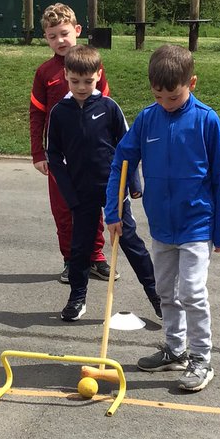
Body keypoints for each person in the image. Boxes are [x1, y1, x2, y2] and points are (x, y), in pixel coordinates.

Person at [105, 44, 220, 394]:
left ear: (192, 82)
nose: (165, 103)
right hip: (162, 226)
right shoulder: (148, 118)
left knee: (191, 290)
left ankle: (201, 358)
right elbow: (121, 161)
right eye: (158, 96)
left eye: (173, 97)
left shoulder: (207, 119)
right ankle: (174, 350)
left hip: (197, 225)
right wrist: (113, 212)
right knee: (165, 292)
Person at [47, 46, 161, 323]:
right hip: (80, 193)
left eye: (88, 81)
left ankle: (158, 297)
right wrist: (68, 193)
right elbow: (53, 155)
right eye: (75, 81)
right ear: (66, 76)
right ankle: (77, 297)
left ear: (98, 75)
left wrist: (133, 183)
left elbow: (128, 148)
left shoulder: (109, 108)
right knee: (80, 247)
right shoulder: (59, 112)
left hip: (113, 189)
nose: (82, 87)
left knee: (131, 242)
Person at [29, 2, 110, 283]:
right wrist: (38, 152)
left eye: (64, 33)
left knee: (93, 206)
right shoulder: (44, 73)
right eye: (52, 36)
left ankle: (96, 257)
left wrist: (108, 149)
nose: (59, 40)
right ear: (46, 39)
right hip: (59, 158)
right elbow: (36, 114)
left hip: (92, 156)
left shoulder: (94, 65)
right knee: (63, 210)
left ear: (77, 31)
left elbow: (107, 111)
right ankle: (71, 260)